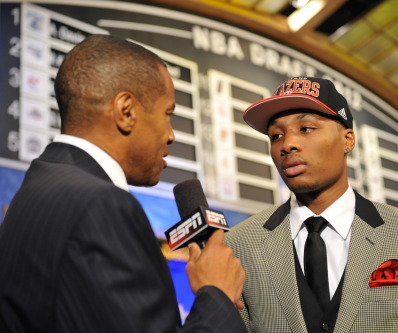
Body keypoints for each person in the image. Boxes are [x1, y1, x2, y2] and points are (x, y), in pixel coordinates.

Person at [0, 34, 245, 332]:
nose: (171, 135)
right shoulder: (102, 205)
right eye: (168, 114)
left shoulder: (37, 188)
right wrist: (217, 293)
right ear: (126, 111)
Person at [224, 77, 398, 332]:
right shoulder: (240, 245)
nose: (287, 144)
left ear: (348, 140)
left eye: (306, 128)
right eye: (276, 136)